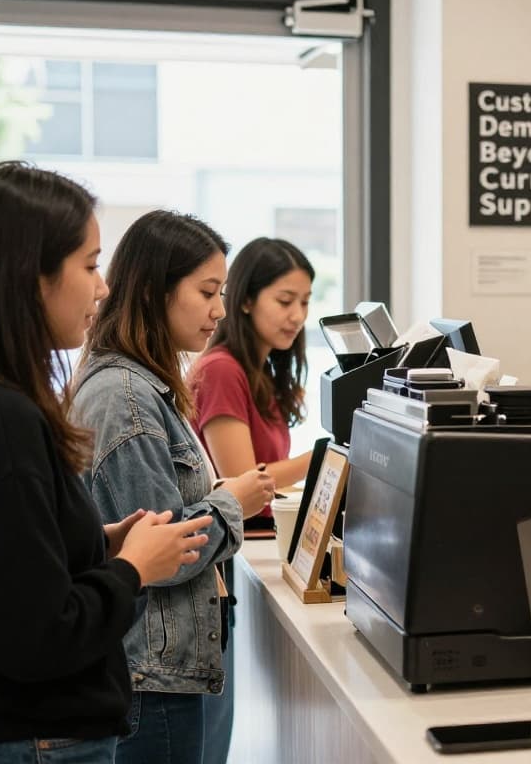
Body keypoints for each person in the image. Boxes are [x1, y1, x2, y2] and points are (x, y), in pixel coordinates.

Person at [0, 162, 214, 763]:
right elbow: (35, 638)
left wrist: (97, 546)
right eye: (88, 265)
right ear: (30, 278)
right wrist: (133, 569)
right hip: (20, 741)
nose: (102, 287)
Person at [72, 210, 275, 764]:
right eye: (207, 291)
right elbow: (166, 547)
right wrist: (232, 502)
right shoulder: (125, 398)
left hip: (161, 667)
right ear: (155, 291)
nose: (219, 310)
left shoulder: (143, 387)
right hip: (151, 676)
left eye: (223, 292)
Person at [187, 237, 316, 764]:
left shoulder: (262, 371)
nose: (297, 316)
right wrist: (329, 459)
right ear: (245, 300)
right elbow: (243, 479)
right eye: (285, 301)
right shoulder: (221, 370)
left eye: (306, 302)